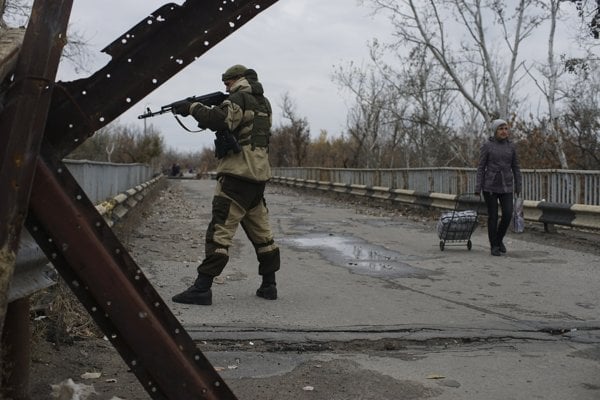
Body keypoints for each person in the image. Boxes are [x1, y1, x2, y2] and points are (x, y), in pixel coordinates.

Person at [170, 64, 280, 305]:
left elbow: (220, 120)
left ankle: (201, 288)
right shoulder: (265, 103)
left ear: (238, 80)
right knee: (263, 235)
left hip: (236, 178)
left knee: (219, 234)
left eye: (228, 82)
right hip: (258, 179)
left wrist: (192, 107)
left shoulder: (239, 98)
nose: (225, 87)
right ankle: (269, 285)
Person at [475, 119, 522, 256]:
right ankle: (494, 246)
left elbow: (516, 167)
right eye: (501, 129)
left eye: (506, 129)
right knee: (493, 217)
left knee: (508, 214)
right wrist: (478, 187)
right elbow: (481, 167)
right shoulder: (487, 146)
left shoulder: (511, 147)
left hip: (506, 185)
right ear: (495, 131)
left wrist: (518, 185)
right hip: (490, 186)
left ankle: (499, 239)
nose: (504, 131)